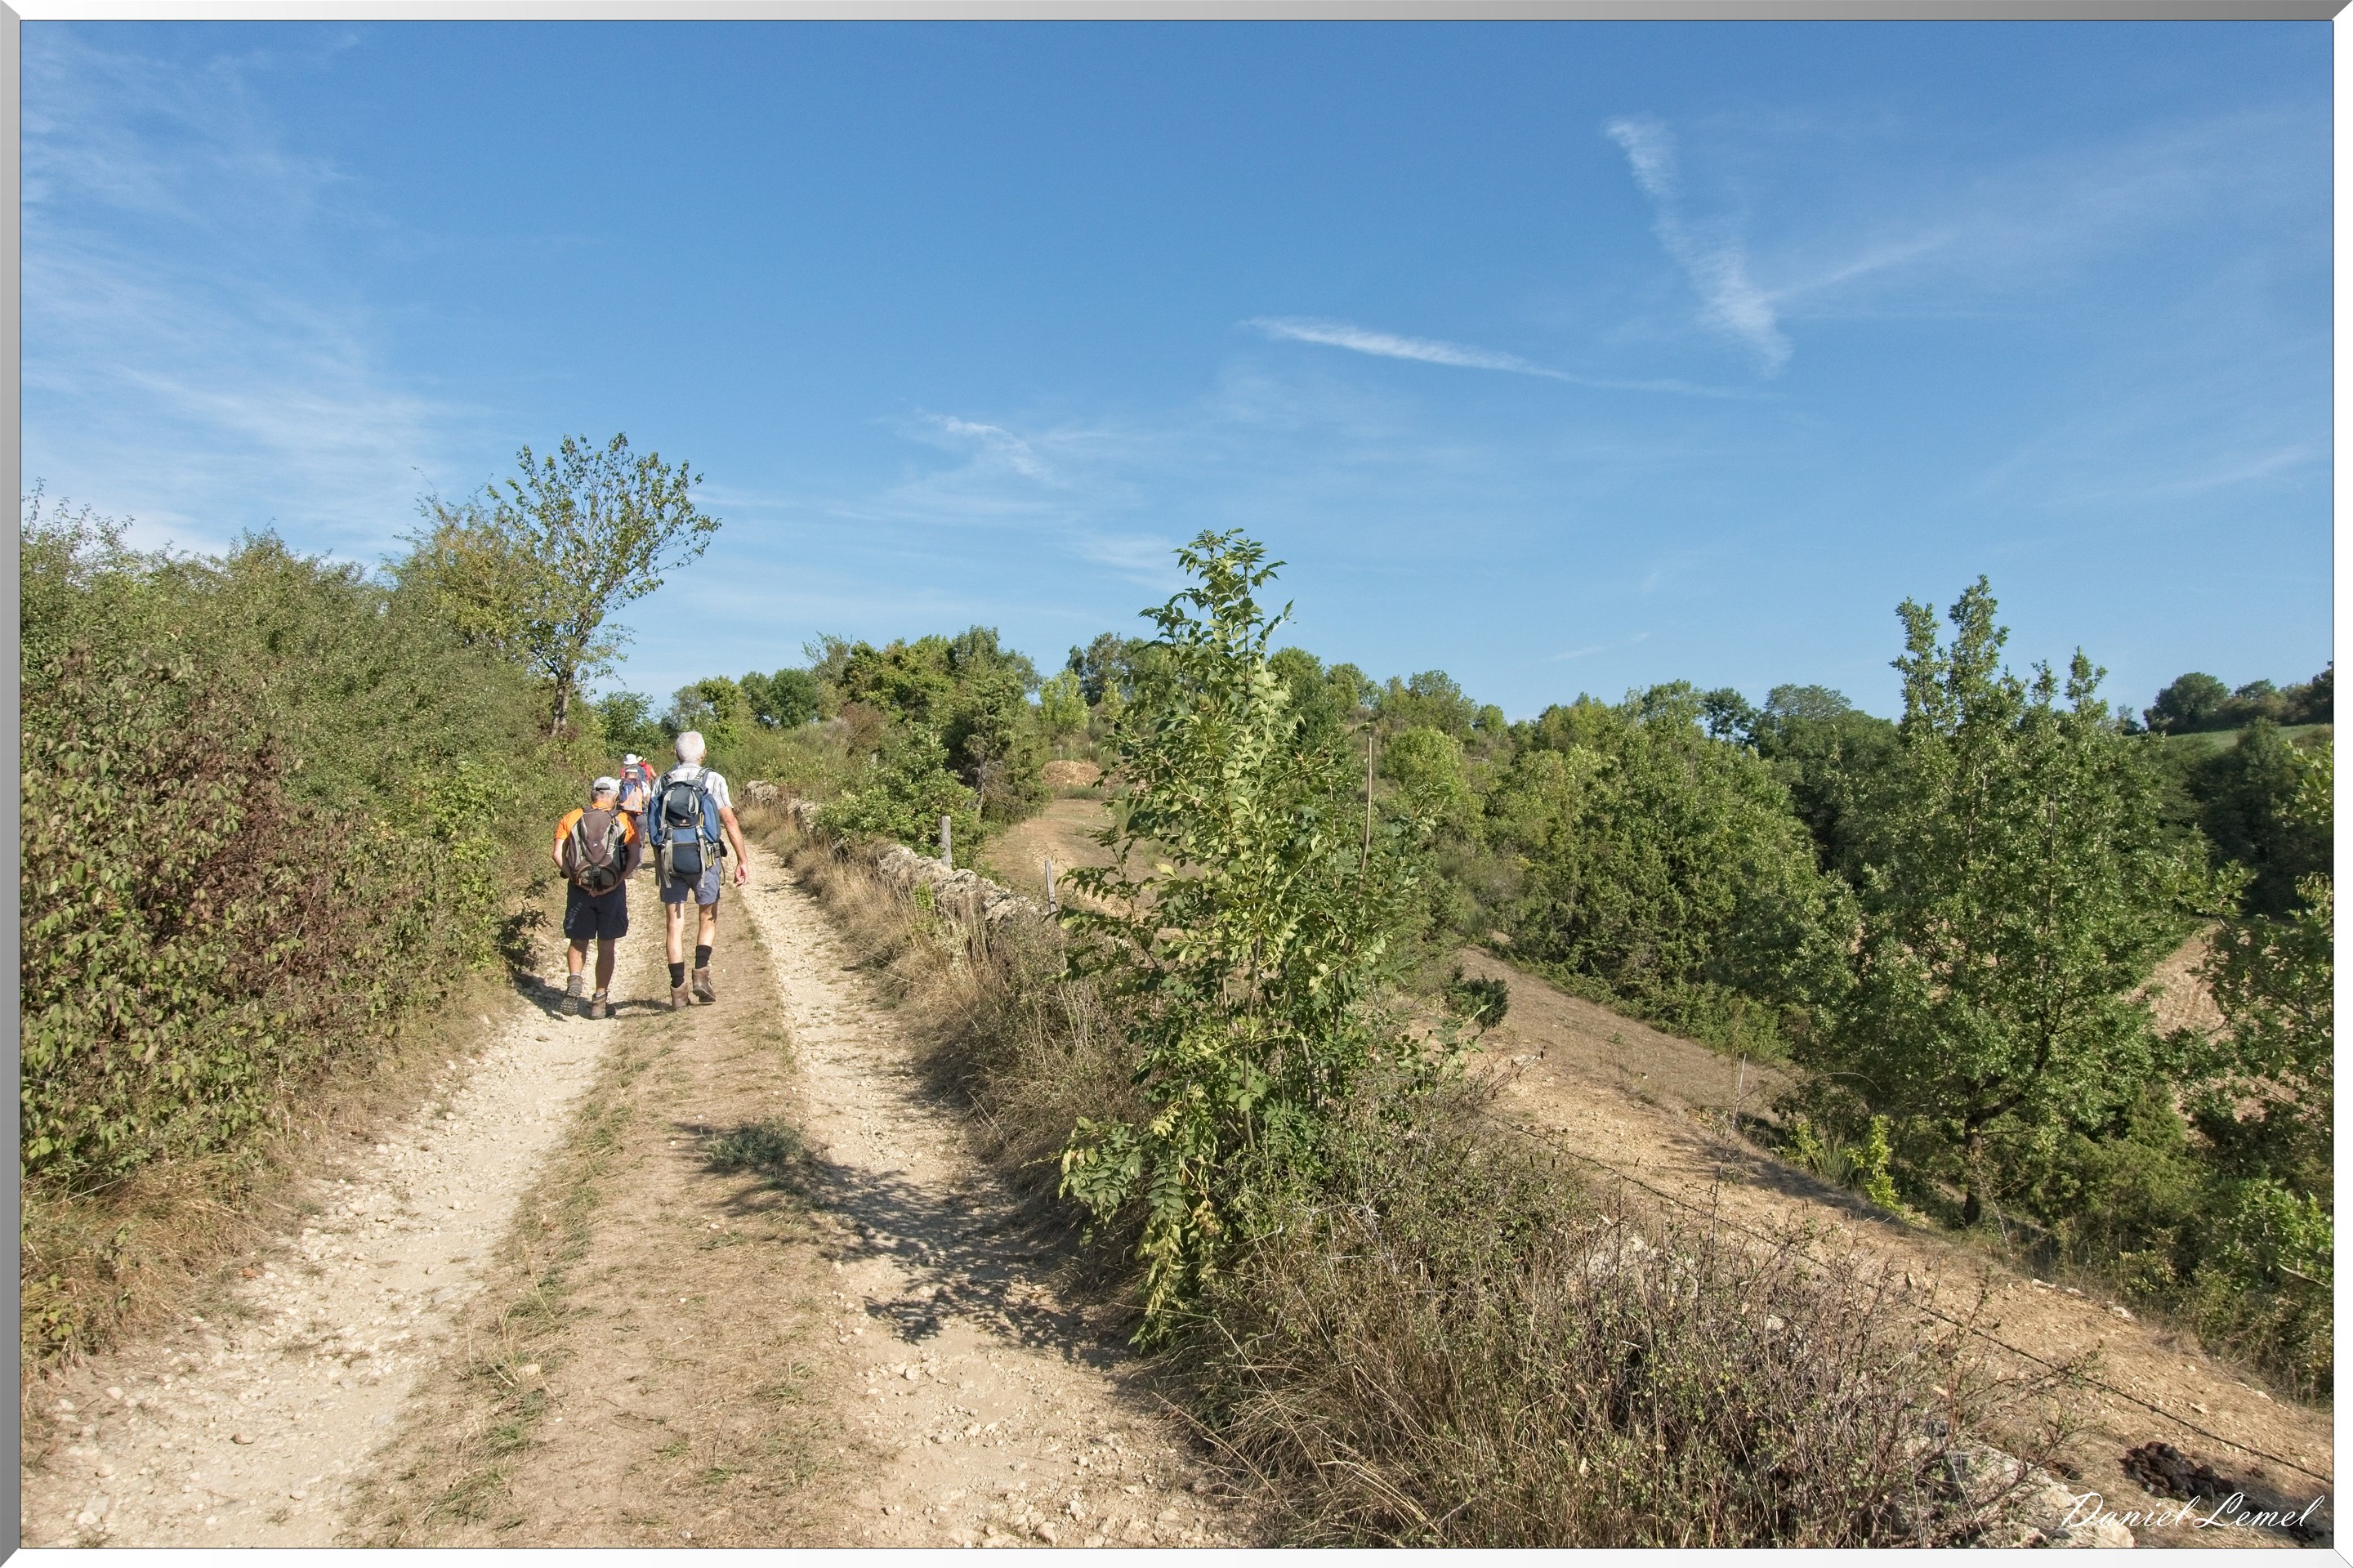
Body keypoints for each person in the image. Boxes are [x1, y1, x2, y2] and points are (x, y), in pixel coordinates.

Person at [648, 730, 751, 1009]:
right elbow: (728, 821)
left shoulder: (662, 781)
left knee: (674, 924)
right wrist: (742, 860)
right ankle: (701, 976)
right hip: (705, 860)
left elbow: (654, 826)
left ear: (676, 753)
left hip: (670, 860)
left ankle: (678, 990)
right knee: (708, 917)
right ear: (703, 754)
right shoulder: (712, 779)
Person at [552, 775, 642, 1020]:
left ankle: (575, 979)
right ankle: (599, 1002)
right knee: (606, 945)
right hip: (611, 890)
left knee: (578, 940)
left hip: (579, 888)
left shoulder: (571, 817)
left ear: (592, 794)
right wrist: (617, 882)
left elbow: (557, 854)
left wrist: (574, 878)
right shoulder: (624, 820)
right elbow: (634, 856)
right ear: (615, 796)